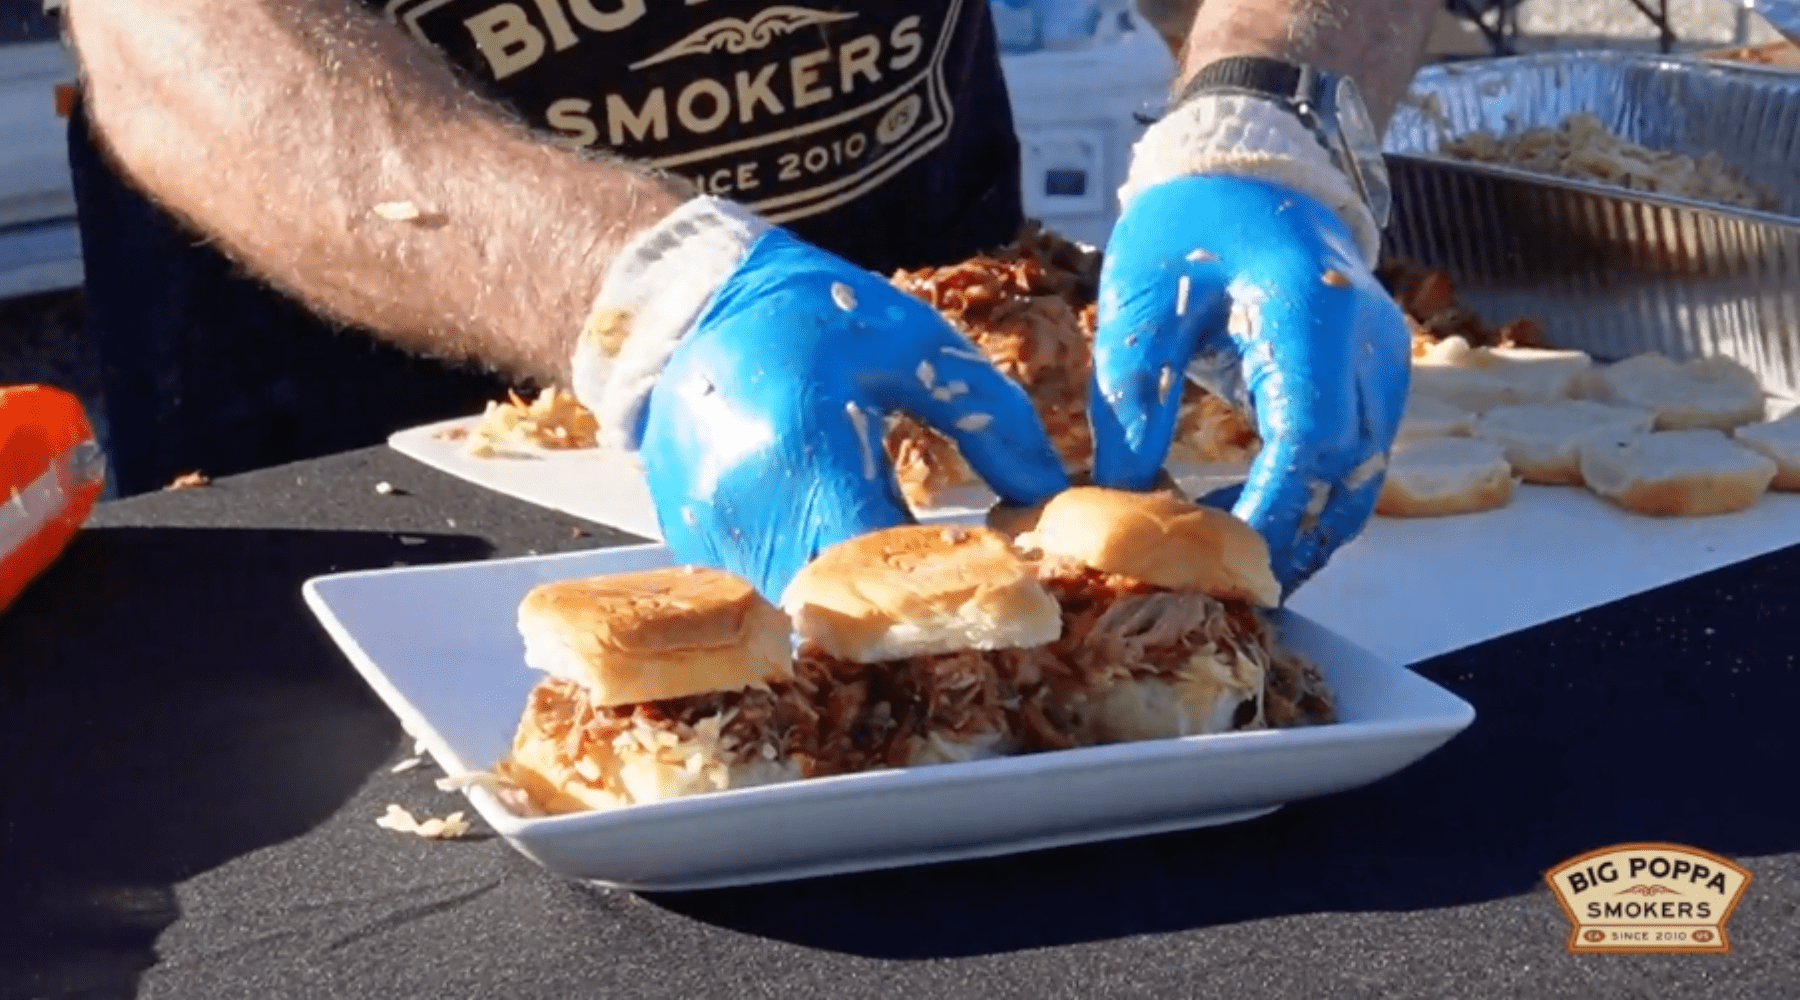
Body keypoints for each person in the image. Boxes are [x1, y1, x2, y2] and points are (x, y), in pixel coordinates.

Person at [61, 0, 1435, 601]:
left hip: (941, 332)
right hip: (366, 432)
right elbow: (172, 32)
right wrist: (649, 294)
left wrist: (1263, 116)